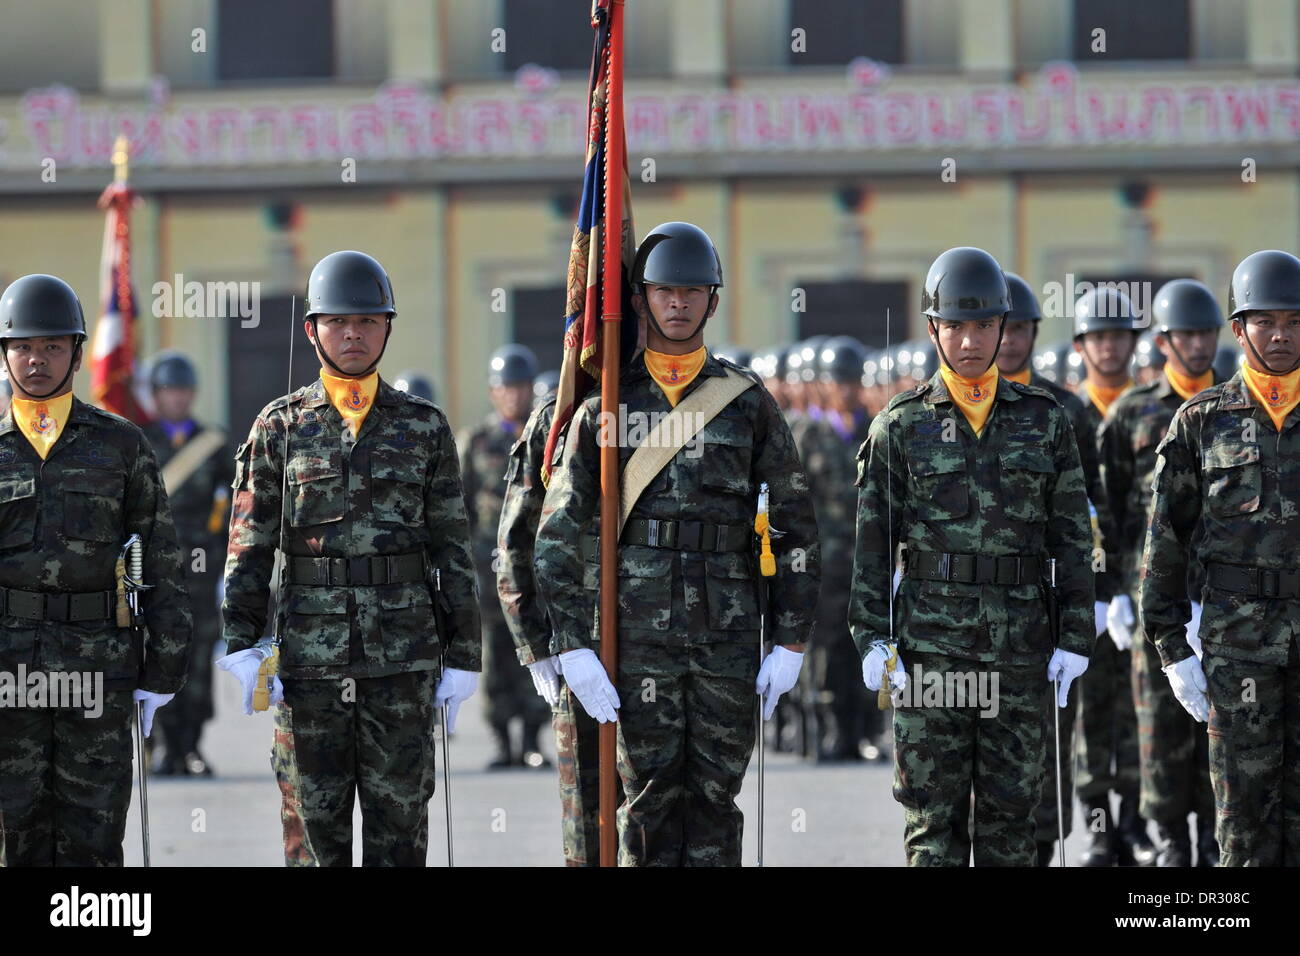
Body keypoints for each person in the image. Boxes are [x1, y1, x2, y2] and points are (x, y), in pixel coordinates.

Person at [535, 221, 819, 866]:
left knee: (717, 798)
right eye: (666, 290)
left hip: (727, 632)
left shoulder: (746, 403)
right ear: (640, 300)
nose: (679, 303)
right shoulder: (606, 402)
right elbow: (559, 535)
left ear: (713, 302)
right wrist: (573, 644)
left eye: (694, 292)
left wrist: (792, 638)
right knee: (649, 801)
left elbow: (796, 526)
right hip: (635, 641)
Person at [219, 250, 481, 866]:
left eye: (368, 322)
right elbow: (249, 544)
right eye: (339, 322)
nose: (354, 334)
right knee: (313, 831)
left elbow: (452, 546)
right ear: (313, 330)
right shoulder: (279, 427)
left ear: (388, 327)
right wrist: (241, 642)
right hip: (310, 664)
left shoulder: (424, 427)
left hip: (403, 660)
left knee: (401, 828)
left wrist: (464, 654)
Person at [852, 247, 1095, 866]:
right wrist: (873, 639)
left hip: (1020, 651)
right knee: (934, 823)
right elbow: (874, 549)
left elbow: (1071, 539)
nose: (969, 341)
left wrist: (1075, 636)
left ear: (1004, 328)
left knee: (1011, 823)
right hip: (931, 656)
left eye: (984, 325)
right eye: (955, 326)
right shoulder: (900, 426)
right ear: (933, 329)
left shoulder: (1045, 423)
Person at [0, 273, 191, 865]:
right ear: (5, 353)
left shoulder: (121, 446)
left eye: (53, 346)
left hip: (98, 669)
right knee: (17, 829)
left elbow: (161, 559)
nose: (37, 360)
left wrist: (163, 669)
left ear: (78, 355)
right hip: (8, 669)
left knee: (96, 830)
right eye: (24, 347)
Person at [1140, 249, 1300, 867]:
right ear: (1239, 330)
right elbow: (1165, 546)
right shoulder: (1200, 424)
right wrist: (1172, 649)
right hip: (1240, 657)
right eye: (1265, 321)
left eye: (1293, 320)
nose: (1281, 334)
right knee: (1244, 831)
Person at [1098, 278, 1223, 866]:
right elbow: (1110, 510)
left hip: (1226, 601)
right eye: (1187, 335)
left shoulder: (1233, 407)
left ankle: (1213, 838)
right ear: (1165, 341)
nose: (1198, 345)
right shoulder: (1131, 414)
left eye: (1206, 333)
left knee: (1220, 727)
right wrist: (1115, 591)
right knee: (1159, 726)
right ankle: (1171, 836)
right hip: (1158, 599)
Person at [997, 271, 1089, 865]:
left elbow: (1085, 513)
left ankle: (1045, 842)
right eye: (1002, 329)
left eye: (1022, 330)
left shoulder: (1063, 410)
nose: (1010, 342)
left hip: (1046, 603)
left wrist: (1088, 601)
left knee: (1049, 741)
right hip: (972, 611)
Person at [1070, 285, 1156, 866]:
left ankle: (1134, 821)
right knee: (1092, 712)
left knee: (1138, 713)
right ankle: (1098, 827)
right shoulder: (1069, 412)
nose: (1109, 347)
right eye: (1098, 337)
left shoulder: (1150, 407)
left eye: (1119, 337)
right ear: (1081, 345)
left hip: (1140, 584)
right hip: (1086, 586)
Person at [459, 344, 552, 769]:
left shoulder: (547, 436)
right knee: (496, 657)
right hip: (489, 569)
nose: (514, 395)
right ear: (493, 392)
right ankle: (502, 741)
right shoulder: (477, 442)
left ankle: (533, 739)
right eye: (505, 387)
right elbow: (458, 506)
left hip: (537, 568)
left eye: (520, 387)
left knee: (537, 647)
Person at [141, 350, 233, 776]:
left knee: (197, 658)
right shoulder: (138, 443)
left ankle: (192, 746)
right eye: (166, 391)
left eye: (180, 390)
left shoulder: (213, 445)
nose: (174, 398)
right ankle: (161, 744)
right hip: (154, 573)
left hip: (201, 571)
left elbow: (235, 508)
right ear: (155, 396)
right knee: (156, 654)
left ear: (191, 394)